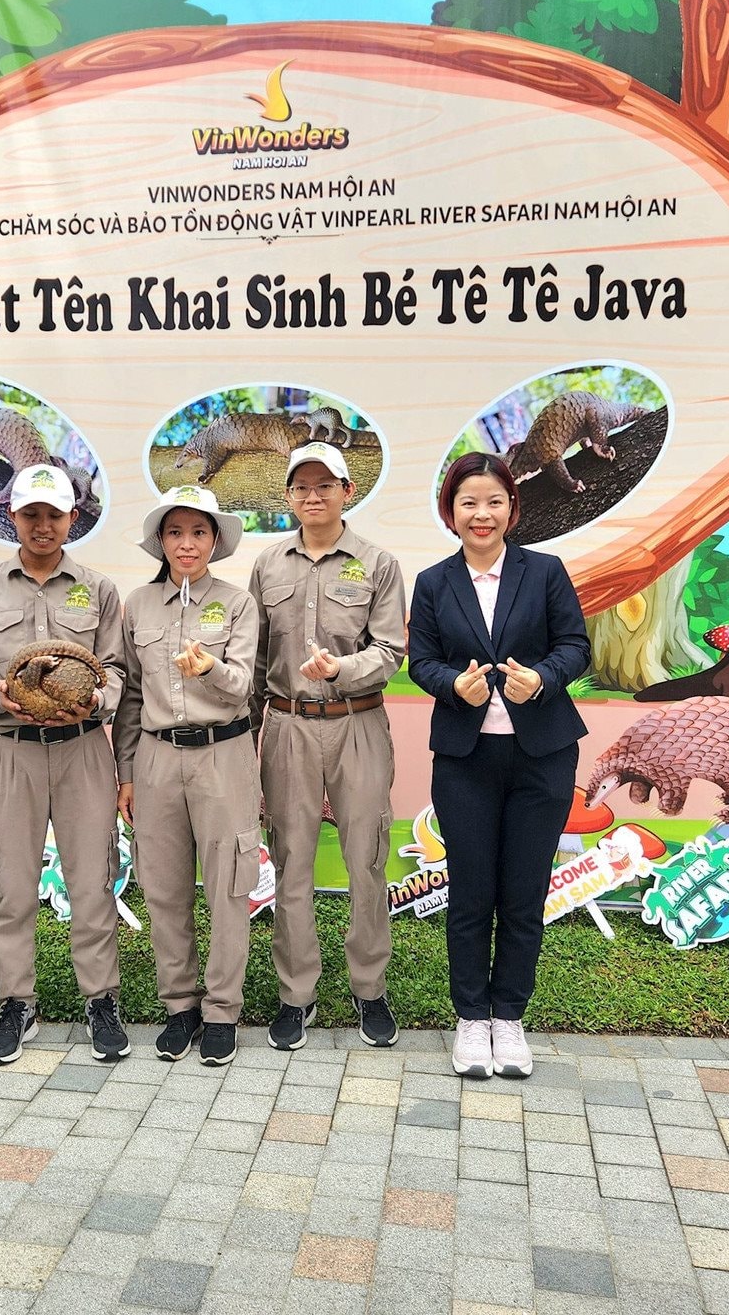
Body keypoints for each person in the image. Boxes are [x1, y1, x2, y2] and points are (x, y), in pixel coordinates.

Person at [406, 450, 590, 1080]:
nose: (481, 514)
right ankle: (470, 1020)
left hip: (541, 757)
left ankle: (508, 1017)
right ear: (450, 512)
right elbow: (420, 660)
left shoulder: (545, 571)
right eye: (468, 503)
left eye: (493, 501)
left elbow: (576, 647)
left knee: (523, 892)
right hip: (466, 758)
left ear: (512, 507)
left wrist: (540, 679)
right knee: (471, 892)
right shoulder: (434, 582)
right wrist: (451, 686)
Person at [0, 464, 131, 1066]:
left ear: (72, 518)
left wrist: (95, 699)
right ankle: (16, 1004)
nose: (43, 525)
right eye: (31, 514)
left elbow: (117, 672)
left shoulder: (99, 590)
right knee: (12, 882)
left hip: (83, 751)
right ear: (13, 515)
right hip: (12, 753)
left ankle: (100, 1000)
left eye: (54, 514)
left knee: (92, 880)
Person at [249, 442, 406, 1050]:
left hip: (358, 722)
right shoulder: (267, 566)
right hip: (287, 725)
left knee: (367, 856)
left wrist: (341, 669)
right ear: (288, 496)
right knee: (291, 858)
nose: (312, 496)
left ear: (347, 490)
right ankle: (297, 994)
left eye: (325, 485)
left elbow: (391, 651)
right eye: (300, 487)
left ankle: (369, 990)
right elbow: (258, 659)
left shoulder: (377, 563)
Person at [114, 484, 262, 1067]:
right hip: (154, 758)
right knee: (163, 886)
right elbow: (128, 695)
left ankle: (223, 1009)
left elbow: (246, 683)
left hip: (223, 756)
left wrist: (212, 669)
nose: (186, 543)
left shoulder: (237, 603)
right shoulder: (138, 605)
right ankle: (180, 1006)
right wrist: (126, 770)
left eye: (198, 532)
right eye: (175, 532)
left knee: (229, 883)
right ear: (160, 541)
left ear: (215, 540)